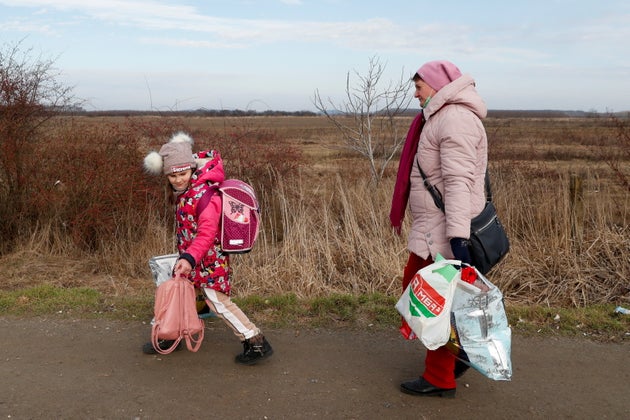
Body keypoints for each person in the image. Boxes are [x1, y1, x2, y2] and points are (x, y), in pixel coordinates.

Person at [389, 60, 488, 397]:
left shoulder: (454, 119)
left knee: (433, 304)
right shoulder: (439, 117)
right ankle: (454, 356)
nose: (415, 95)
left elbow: (459, 183)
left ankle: (441, 376)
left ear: (436, 85)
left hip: (444, 233)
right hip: (432, 229)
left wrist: (458, 239)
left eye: (419, 87)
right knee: (421, 296)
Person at [142, 132, 273, 365]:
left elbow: (207, 233)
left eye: (182, 173)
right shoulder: (188, 192)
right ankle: (170, 335)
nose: (178, 179)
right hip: (193, 257)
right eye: (172, 175)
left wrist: (190, 258)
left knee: (217, 301)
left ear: (192, 169)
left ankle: (255, 340)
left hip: (209, 259)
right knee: (181, 293)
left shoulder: (205, 195)